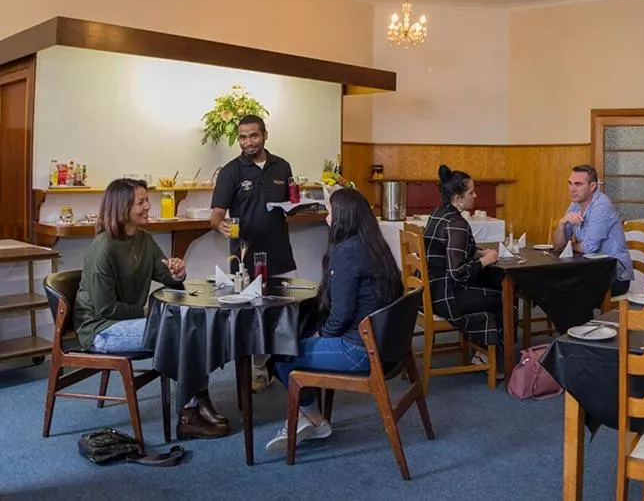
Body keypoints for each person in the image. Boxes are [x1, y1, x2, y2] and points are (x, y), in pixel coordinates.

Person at [74, 178, 228, 439]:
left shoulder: (143, 239)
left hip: (124, 321)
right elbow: (105, 309)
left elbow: (168, 277)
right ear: (123, 207)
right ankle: (190, 414)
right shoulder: (103, 249)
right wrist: (147, 313)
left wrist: (178, 270)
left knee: (191, 326)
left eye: (147, 200)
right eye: (141, 202)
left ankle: (199, 401)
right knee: (181, 333)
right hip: (100, 329)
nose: (148, 206)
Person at [266, 187, 403, 453]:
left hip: (360, 350)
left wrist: (321, 335)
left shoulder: (347, 252)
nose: (326, 218)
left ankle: (312, 418)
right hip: (385, 345)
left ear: (343, 217)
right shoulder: (375, 245)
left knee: (281, 354)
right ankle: (311, 419)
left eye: (330, 212)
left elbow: (340, 316)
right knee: (303, 340)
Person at [209, 114, 295, 392]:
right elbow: (216, 214)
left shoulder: (282, 166)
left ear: (265, 135)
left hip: (280, 252)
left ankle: (282, 364)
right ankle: (257, 370)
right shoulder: (231, 171)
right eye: (243, 137)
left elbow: (292, 200)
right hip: (245, 257)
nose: (248, 142)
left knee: (284, 312)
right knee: (252, 316)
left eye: (253, 136)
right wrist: (219, 225)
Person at [423, 165, 503, 370]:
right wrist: (486, 260)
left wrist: (477, 253)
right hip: (446, 297)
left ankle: (481, 349)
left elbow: (449, 249)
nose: (475, 195)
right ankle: (496, 359)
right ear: (458, 198)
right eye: (471, 192)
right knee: (503, 299)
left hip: (429, 291)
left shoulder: (438, 214)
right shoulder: (457, 224)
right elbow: (457, 272)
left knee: (488, 286)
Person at [551, 164, 633, 297]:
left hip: (614, 275)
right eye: (570, 183)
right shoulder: (575, 205)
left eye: (578, 184)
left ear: (592, 186)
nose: (572, 189)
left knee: (567, 288)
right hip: (590, 269)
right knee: (556, 283)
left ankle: (578, 318)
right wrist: (561, 224)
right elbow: (558, 245)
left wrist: (569, 246)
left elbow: (589, 248)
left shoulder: (602, 206)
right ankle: (574, 318)